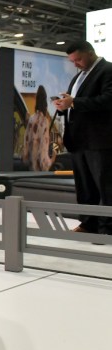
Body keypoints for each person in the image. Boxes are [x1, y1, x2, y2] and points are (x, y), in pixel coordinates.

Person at [52, 40, 112, 234]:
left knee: (105, 187)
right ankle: (89, 224)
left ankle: (107, 227)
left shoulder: (108, 70)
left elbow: (107, 100)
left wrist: (74, 102)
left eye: (78, 59)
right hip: (78, 141)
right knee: (85, 187)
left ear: (90, 53)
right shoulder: (79, 77)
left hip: (99, 141)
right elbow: (76, 105)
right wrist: (63, 106)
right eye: (72, 61)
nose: (75, 64)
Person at [21, 85, 57, 172]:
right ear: (45, 102)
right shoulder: (44, 122)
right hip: (39, 173)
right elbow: (42, 152)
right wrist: (53, 159)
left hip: (29, 170)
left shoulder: (31, 119)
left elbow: (26, 147)